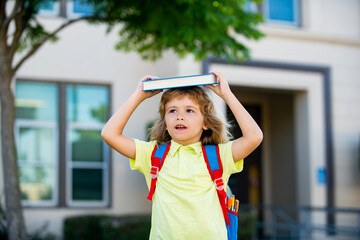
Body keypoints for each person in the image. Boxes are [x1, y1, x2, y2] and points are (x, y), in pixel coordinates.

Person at [101, 70, 263, 240]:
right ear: (164, 124)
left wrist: (227, 94)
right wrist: (138, 96)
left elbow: (254, 137)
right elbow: (109, 134)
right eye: (172, 111)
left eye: (189, 111)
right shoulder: (152, 154)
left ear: (206, 122)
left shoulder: (219, 156)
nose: (179, 117)